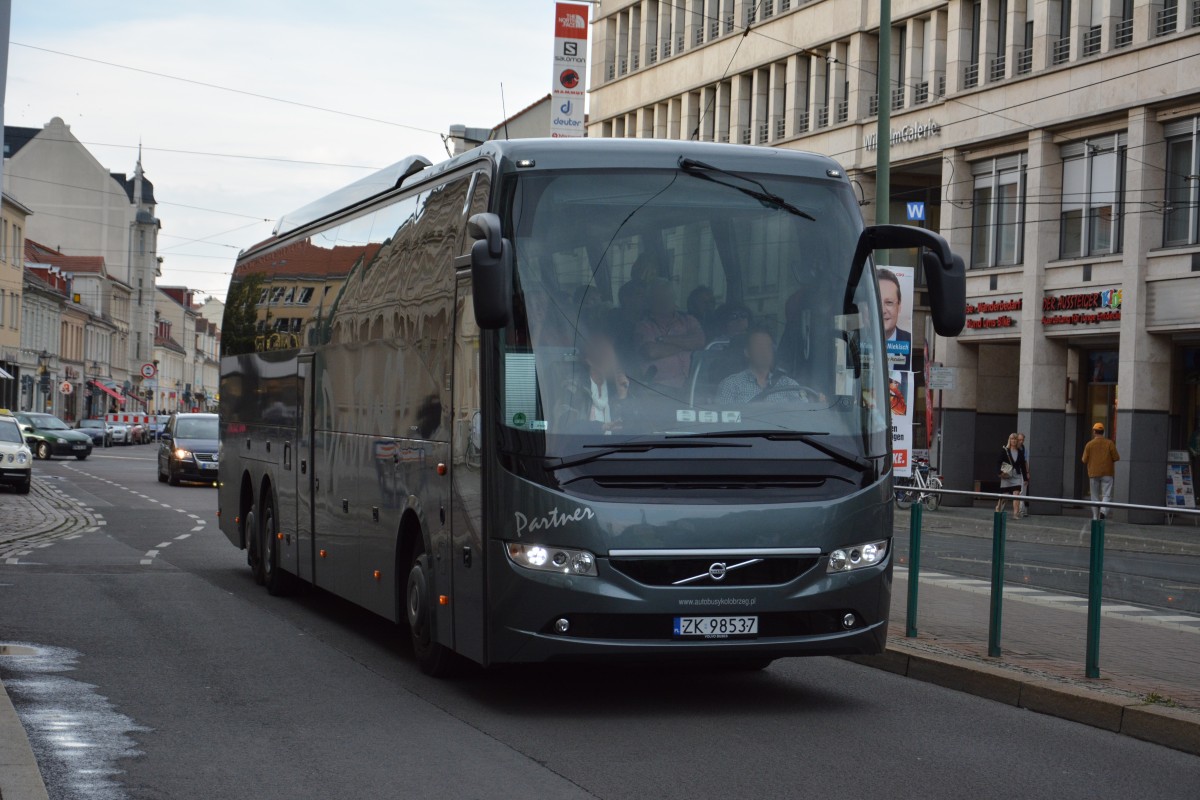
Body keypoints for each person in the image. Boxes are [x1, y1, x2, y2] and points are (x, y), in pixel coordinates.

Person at [555, 333, 634, 433]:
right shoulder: (573, 385)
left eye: (611, 356)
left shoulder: (614, 388)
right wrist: (601, 427)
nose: (609, 360)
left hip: (613, 446)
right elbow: (567, 424)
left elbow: (629, 430)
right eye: (603, 356)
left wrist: (622, 396)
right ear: (589, 360)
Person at [716, 328, 818, 404]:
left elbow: (802, 417)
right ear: (747, 352)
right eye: (758, 346)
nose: (764, 351)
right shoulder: (730, 385)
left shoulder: (790, 385)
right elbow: (724, 422)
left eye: (768, 347)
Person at [635, 280, 705, 389]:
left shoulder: (689, 321)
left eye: (668, 297)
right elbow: (651, 352)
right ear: (649, 302)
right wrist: (686, 345)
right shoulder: (643, 326)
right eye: (659, 298)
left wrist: (664, 340)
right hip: (658, 391)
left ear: (674, 299)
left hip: (695, 388)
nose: (664, 302)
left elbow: (700, 342)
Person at [1081, 422, 1120, 520]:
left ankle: (1095, 516)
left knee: (1094, 496)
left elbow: (1084, 460)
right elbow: (1116, 457)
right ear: (1103, 432)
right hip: (1107, 472)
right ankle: (1103, 511)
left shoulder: (1089, 444)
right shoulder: (1109, 443)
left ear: (1094, 432)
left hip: (1093, 472)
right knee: (1106, 495)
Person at [878, 269, 912, 372]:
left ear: (899, 306)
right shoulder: (854, 342)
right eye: (876, 302)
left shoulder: (910, 343)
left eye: (889, 302)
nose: (882, 310)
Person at [996, 433, 1026, 515]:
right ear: (1009, 440)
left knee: (1016, 494)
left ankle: (1015, 514)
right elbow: (999, 462)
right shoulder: (1005, 450)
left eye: (1015, 439)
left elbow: (1023, 465)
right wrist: (1000, 472)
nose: (1014, 440)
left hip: (1016, 476)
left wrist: (1025, 478)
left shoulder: (1020, 452)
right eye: (1012, 439)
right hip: (1007, 475)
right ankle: (998, 508)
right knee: (1005, 496)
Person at [1016, 432, 1031, 517]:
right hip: (1017, 472)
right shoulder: (1015, 449)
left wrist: (1027, 472)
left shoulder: (1024, 449)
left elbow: (1025, 462)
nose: (1021, 441)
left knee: (1023, 491)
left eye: (1022, 440)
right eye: (1019, 440)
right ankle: (1019, 510)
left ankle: (1022, 510)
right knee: (1019, 491)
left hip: (1022, 472)